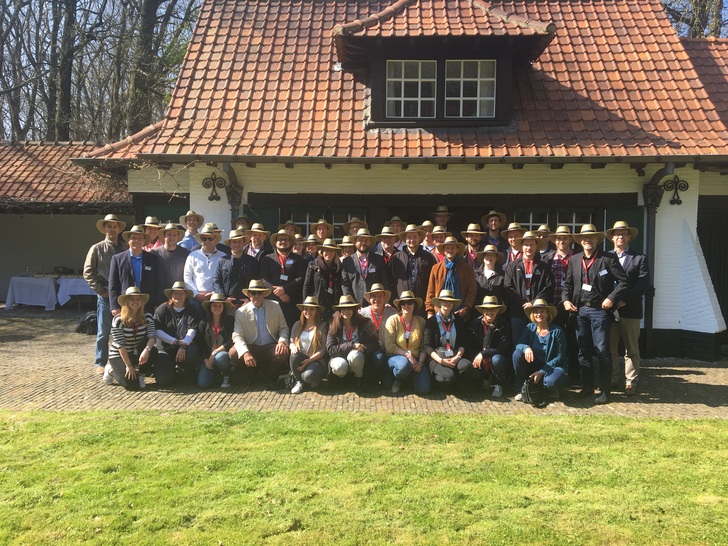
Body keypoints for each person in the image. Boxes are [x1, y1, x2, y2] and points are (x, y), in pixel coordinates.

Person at [562, 224, 628, 404]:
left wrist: (612, 298)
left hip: (600, 310)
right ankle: (587, 387)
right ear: (580, 240)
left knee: (601, 350)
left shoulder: (608, 258)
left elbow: (623, 282)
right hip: (580, 310)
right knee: (583, 350)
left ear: (597, 239)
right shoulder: (574, 260)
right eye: (584, 237)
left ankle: (605, 390)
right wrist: (566, 300)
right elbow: (567, 285)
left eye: (591, 237)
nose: (588, 240)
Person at [606, 220, 649, 395]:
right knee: (610, 347)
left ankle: (630, 382)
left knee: (631, 348)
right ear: (612, 238)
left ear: (629, 236)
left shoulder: (640, 258)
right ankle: (612, 379)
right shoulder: (606, 257)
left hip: (630, 310)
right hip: (609, 309)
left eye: (624, 234)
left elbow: (643, 283)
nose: (620, 237)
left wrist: (626, 301)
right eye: (617, 234)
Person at [83, 213, 129, 373]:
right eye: (109, 226)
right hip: (106, 296)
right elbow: (88, 272)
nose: (112, 229)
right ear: (104, 229)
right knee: (103, 331)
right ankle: (100, 362)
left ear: (118, 228)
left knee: (125, 330)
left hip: (123, 298)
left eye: (115, 226)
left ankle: (124, 360)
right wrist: (101, 291)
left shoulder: (125, 247)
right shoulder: (96, 248)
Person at [104, 287, 166, 390]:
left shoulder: (148, 316)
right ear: (126, 302)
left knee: (153, 351)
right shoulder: (118, 320)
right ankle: (110, 370)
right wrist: (129, 366)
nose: (135, 302)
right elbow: (120, 345)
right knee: (131, 385)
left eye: (138, 299)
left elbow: (152, 336)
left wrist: (146, 350)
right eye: (132, 299)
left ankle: (140, 374)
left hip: (135, 351)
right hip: (119, 354)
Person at [232, 279, 290, 389]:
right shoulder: (240, 312)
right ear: (249, 294)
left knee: (283, 351)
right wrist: (245, 353)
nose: (256, 295)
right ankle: (251, 373)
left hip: (270, 347)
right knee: (233, 353)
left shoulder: (275, 306)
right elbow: (237, 335)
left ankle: (268, 375)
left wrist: (282, 341)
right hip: (252, 347)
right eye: (253, 293)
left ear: (264, 294)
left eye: (259, 293)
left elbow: (283, 328)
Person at [513, 299, 569, 402]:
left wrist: (542, 371)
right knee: (517, 354)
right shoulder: (529, 327)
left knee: (550, 382)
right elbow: (519, 344)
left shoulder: (557, 331)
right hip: (534, 364)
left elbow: (560, 357)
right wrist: (526, 348)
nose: (539, 314)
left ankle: (551, 388)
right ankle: (521, 389)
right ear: (533, 314)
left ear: (548, 314)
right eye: (536, 312)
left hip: (552, 366)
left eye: (542, 311)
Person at [504, 231, 554, 344]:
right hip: (517, 312)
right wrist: (522, 303)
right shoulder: (512, 266)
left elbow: (548, 287)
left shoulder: (544, 267)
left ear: (536, 246)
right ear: (521, 246)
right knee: (519, 345)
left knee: (537, 344)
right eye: (526, 245)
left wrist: (533, 303)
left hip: (537, 313)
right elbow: (508, 287)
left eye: (532, 244)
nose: (529, 247)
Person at [326, 295, 378, 392]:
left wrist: (364, 348)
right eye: (343, 309)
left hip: (357, 359)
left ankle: (359, 379)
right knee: (339, 366)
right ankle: (342, 380)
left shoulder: (364, 323)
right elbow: (330, 349)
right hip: (339, 357)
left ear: (354, 309)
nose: (346, 311)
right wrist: (351, 345)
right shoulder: (333, 325)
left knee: (355, 355)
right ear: (339, 311)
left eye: (349, 308)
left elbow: (375, 343)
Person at [548, 225, 580, 384]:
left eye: (565, 237)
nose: (562, 241)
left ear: (570, 239)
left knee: (574, 342)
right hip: (553, 307)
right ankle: (556, 374)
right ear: (554, 240)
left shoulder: (578, 257)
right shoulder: (548, 258)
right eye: (559, 238)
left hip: (574, 307)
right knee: (555, 343)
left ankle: (574, 376)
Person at [154, 281, 202, 384]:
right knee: (164, 382)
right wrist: (175, 342)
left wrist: (183, 345)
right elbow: (157, 331)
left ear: (185, 295)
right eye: (175, 293)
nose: (178, 296)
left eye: (181, 293)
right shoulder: (162, 309)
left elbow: (192, 329)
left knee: (192, 351)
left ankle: (187, 369)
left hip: (185, 347)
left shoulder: (191, 309)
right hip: (165, 348)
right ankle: (171, 371)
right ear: (171, 295)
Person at [424, 290, 474, 388]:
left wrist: (457, 357)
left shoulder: (458, 320)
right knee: (448, 377)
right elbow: (427, 346)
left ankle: (455, 381)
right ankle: (445, 381)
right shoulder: (431, 322)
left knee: (467, 366)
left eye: (450, 301)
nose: (447, 303)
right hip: (437, 358)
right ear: (440, 303)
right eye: (444, 301)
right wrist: (441, 361)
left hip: (454, 355)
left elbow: (463, 342)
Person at [108, 224, 161, 315]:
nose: (137, 241)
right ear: (128, 240)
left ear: (144, 241)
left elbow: (158, 283)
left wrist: (157, 304)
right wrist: (114, 306)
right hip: (125, 304)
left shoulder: (153, 259)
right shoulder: (117, 259)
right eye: (133, 238)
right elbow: (113, 284)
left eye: (140, 238)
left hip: (147, 304)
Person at [384, 290, 430, 394]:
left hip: (417, 359)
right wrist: (408, 356)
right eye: (403, 303)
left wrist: (420, 363)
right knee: (403, 365)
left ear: (414, 305)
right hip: (397, 357)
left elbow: (424, 347)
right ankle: (399, 378)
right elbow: (389, 347)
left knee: (424, 390)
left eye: (409, 302)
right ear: (400, 306)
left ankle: (408, 378)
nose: (406, 305)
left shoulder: (421, 321)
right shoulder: (393, 320)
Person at [260, 229, 307, 328]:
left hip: (291, 301)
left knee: (291, 328)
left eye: (286, 239)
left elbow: (301, 278)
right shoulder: (267, 259)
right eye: (280, 239)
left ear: (290, 243)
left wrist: (285, 289)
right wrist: (278, 292)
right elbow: (264, 278)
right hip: (272, 301)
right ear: (275, 242)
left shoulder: (299, 260)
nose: (283, 242)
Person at [425, 236, 477, 320]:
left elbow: (472, 291)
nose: (450, 250)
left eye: (453, 248)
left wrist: (466, 309)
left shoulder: (467, 268)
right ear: (444, 250)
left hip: (460, 313)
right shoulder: (436, 268)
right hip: (439, 313)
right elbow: (430, 291)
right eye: (447, 248)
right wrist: (430, 311)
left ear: (457, 250)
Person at [469, 295, 511, 398]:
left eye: (493, 309)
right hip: (479, 360)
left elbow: (502, 348)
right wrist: (475, 357)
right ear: (482, 311)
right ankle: (485, 378)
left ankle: (499, 384)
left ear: (498, 310)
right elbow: (470, 345)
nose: (490, 312)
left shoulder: (504, 325)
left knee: (497, 359)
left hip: (498, 359)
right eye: (487, 309)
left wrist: (483, 354)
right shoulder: (474, 324)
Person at [391, 224, 437, 316]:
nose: (412, 240)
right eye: (409, 237)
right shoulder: (396, 257)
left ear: (420, 238)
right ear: (405, 239)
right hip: (403, 306)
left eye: (415, 237)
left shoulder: (429, 257)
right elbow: (392, 281)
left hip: (423, 306)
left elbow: (434, 282)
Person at [341, 228, 392, 306]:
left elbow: (384, 281)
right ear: (355, 242)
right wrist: (352, 304)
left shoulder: (379, 259)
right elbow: (345, 286)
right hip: (355, 305)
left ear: (370, 242)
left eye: (366, 240)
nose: (363, 243)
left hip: (375, 304)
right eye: (360, 240)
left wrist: (386, 301)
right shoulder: (347, 262)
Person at [359, 283, 396, 388]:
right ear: (370, 299)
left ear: (385, 298)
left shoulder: (392, 313)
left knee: (387, 384)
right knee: (378, 357)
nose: (377, 299)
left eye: (380, 296)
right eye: (374, 296)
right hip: (370, 351)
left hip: (388, 351)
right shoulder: (362, 313)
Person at [289, 296, 329, 394]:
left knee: (308, 376)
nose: (308, 311)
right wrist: (293, 346)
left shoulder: (322, 326)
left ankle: (312, 379)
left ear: (317, 311)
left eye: (312, 309)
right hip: (300, 357)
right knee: (293, 355)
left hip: (316, 359)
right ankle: (298, 381)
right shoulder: (297, 325)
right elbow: (291, 341)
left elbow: (324, 349)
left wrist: (308, 361)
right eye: (306, 309)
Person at [197, 293, 237, 389]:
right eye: (214, 305)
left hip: (222, 354)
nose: (217, 308)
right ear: (210, 307)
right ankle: (216, 374)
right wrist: (205, 359)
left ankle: (227, 374)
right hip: (208, 357)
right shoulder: (203, 323)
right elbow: (200, 344)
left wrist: (214, 353)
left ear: (223, 307)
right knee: (203, 384)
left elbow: (230, 341)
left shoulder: (229, 320)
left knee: (220, 357)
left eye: (220, 305)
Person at [212, 228, 260, 307]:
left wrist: (250, 298)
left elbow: (256, 281)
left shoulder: (252, 261)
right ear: (230, 244)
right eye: (234, 242)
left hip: (247, 303)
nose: (237, 244)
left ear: (244, 243)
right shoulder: (222, 261)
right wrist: (224, 298)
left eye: (239, 241)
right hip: (227, 304)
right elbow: (216, 281)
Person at [184, 224, 227, 311]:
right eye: (204, 238)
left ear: (214, 239)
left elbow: (224, 279)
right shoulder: (193, 255)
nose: (207, 241)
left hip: (216, 297)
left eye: (210, 238)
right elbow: (187, 277)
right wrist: (196, 294)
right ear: (200, 240)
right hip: (195, 298)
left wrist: (214, 293)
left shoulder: (223, 257)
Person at [302, 238, 343, 321]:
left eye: (331, 251)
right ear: (322, 252)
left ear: (335, 253)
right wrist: (306, 305)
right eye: (326, 251)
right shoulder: (313, 265)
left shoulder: (338, 267)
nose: (328, 253)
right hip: (317, 305)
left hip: (333, 305)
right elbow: (307, 286)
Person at [152, 222, 190, 304]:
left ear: (178, 237)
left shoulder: (185, 253)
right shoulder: (154, 254)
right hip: (160, 297)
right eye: (169, 235)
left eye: (174, 235)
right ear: (164, 236)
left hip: (180, 297)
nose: (172, 237)